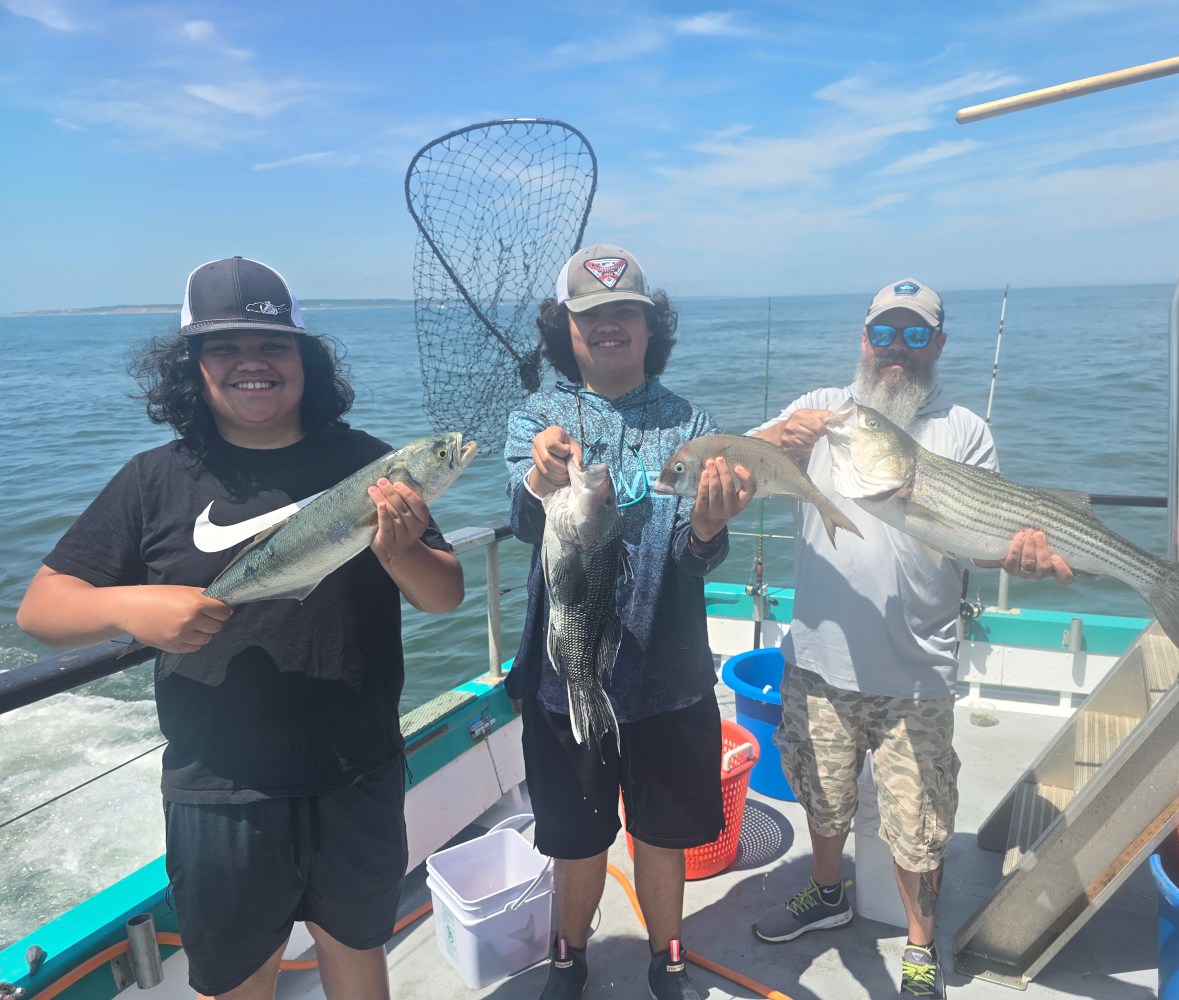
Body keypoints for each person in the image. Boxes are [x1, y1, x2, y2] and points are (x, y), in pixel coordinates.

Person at [16, 256, 464, 1000]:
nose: (251, 363)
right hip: (219, 784)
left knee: (357, 946)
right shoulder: (153, 479)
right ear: (191, 368)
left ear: (303, 360)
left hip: (358, 764)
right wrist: (129, 608)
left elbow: (444, 595)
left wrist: (401, 550)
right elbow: (41, 608)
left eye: (271, 345)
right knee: (239, 978)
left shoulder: (367, 465)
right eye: (223, 348)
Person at [747, 278, 1071, 999]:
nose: (897, 349)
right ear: (863, 340)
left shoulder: (962, 430)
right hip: (820, 663)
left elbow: (977, 540)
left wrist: (1012, 552)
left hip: (916, 670)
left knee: (920, 822)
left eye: (915, 335)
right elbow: (741, 469)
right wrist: (777, 439)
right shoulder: (820, 414)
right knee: (821, 795)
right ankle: (827, 894)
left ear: (938, 346)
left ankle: (919, 947)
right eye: (884, 334)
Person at [504, 244, 754, 1000]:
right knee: (574, 839)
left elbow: (693, 554)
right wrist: (541, 475)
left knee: (663, 836)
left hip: (669, 675)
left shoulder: (693, 422)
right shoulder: (537, 418)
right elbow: (522, 521)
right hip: (565, 677)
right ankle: (567, 955)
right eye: (591, 316)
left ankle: (666, 954)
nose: (609, 327)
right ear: (565, 330)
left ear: (651, 329)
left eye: (626, 315)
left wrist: (710, 530)